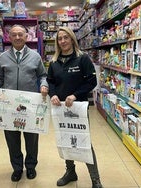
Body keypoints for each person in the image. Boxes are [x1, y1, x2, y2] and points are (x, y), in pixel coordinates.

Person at [0, 24, 48, 182]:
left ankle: (31, 166)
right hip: (9, 106)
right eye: (14, 34)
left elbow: (43, 75)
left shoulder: (35, 57)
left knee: (31, 138)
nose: (17, 37)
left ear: (27, 37)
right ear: (9, 37)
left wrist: (44, 85)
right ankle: (17, 168)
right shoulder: (3, 57)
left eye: (20, 34)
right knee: (12, 139)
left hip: (30, 105)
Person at [47, 26, 103, 188]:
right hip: (60, 108)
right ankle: (70, 171)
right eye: (60, 38)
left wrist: (75, 95)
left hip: (78, 107)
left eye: (66, 37)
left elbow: (91, 82)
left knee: (84, 141)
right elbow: (50, 81)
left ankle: (95, 179)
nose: (63, 41)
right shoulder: (54, 62)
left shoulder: (82, 58)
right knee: (65, 139)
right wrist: (53, 94)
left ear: (72, 39)